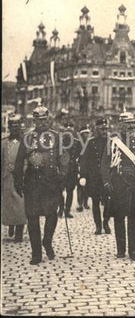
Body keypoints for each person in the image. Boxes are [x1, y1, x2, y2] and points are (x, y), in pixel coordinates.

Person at [14, 106, 69, 265]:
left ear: (48, 120)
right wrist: (18, 181)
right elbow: (19, 161)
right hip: (33, 184)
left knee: (52, 215)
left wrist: (63, 175)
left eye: (45, 119)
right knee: (32, 218)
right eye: (39, 120)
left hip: (51, 182)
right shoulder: (27, 137)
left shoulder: (56, 136)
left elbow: (64, 158)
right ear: (34, 121)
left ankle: (47, 241)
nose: (42, 123)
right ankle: (36, 253)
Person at [101, 112, 135, 261]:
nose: (130, 126)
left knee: (134, 218)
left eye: (132, 123)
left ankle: (133, 251)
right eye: (127, 123)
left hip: (134, 182)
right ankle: (121, 250)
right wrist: (106, 181)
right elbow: (104, 163)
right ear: (120, 124)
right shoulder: (113, 141)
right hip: (118, 182)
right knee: (119, 218)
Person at [79, 118, 111, 235]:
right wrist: (83, 175)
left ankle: (106, 222)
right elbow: (84, 160)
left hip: (107, 177)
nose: (104, 131)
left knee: (108, 201)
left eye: (106, 129)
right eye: (102, 129)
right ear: (97, 129)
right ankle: (98, 225)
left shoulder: (110, 142)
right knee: (95, 202)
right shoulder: (91, 142)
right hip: (94, 177)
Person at [1, 114, 27, 243]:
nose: (15, 129)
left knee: (21, 206)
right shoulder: (4, 143)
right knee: (9, 205)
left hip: (20, 179)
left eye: (17, 126)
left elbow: (28, 160)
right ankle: (11, 225)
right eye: (12, 126)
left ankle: (19, 233)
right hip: (7, 179)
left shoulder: (24, 142)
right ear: (9, 127)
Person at [58, 122, 82, 218]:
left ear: (73, 130)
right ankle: (60, 208)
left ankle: (67, 210)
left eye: (71, 127)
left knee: (70, 191)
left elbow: (81, 156)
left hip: (72, 170)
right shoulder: (59, 142)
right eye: (66, 127)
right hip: (61, 170)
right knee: (59, 190)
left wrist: (78, 163)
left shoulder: (77, 142)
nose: (68, 129)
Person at [76, 124, 91, 212]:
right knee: (80, 185)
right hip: (80, 166)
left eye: (88, 133)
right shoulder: (78, 143)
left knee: (88, 185)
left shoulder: (90, 143)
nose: (87, 135)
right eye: (85, 133)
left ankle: (85, 202)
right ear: (81, 134)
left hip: (89, 167)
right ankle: (80, 204)